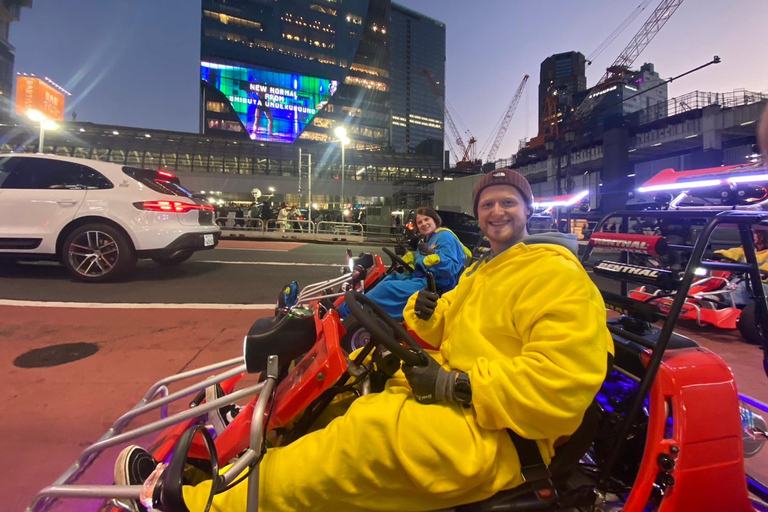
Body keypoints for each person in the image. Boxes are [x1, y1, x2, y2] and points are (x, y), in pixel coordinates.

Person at [114, 169, 613, 512]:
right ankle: (235, 467)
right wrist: (428, 319)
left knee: (361, 438)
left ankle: (196, 504)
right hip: (457, 406)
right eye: (488, 204)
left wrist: (457, 386)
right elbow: (449, 330)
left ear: (529, 211)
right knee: (341, 398)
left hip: (500, 435)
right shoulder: (486, 270)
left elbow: (561, 384)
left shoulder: (557, 276)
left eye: (508, 203)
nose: (497, 211)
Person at [338, 206, 470, 320]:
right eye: (420, 222)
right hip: (419, 279)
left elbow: (451, 268)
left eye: (426, 219)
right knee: (387, 279)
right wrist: (405, 254)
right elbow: (418, 263)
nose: (423, 224)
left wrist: (433, 254)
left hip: (432, 286)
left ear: (434, 220)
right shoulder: (427, 239)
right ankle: (349, 308)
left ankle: (350, 312)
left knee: (386, 288)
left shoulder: (445, 237)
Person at [714, 230, 768, 307]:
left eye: (756, 233)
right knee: (722, 280)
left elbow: (765, 270)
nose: (753, 235)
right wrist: (720, 255)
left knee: (742, 284)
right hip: (745, 280)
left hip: (763, 284)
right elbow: (734, 252)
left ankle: (717, 299)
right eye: (752, 233)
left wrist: (761, 272)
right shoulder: (748, 249)